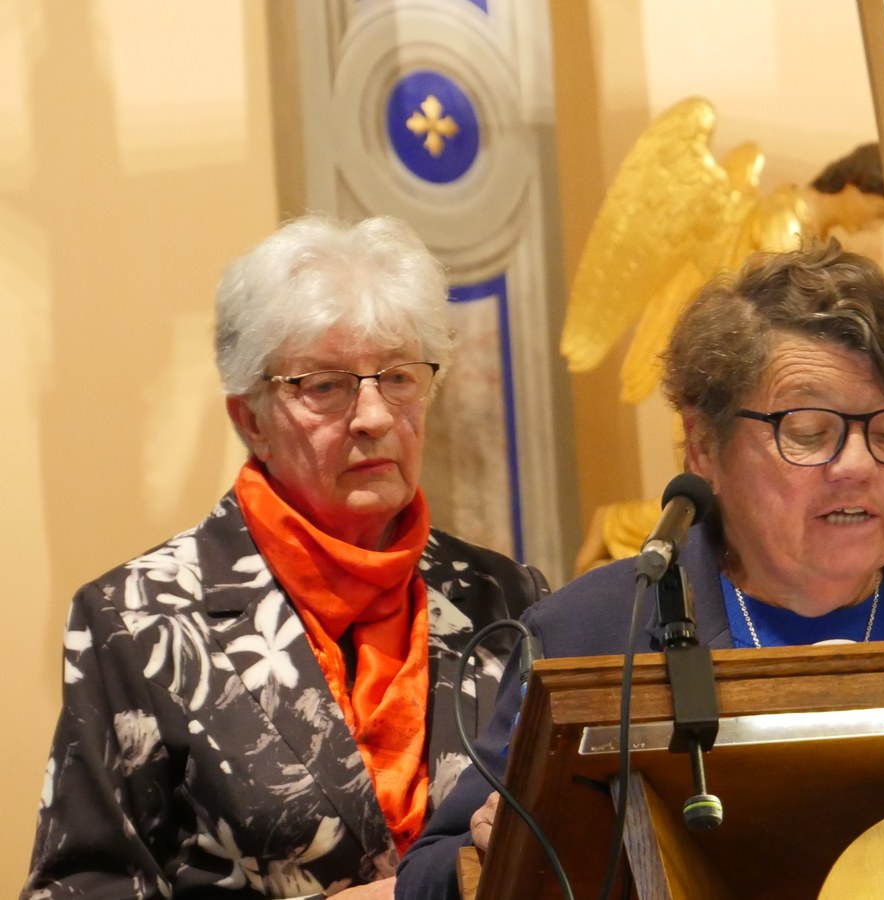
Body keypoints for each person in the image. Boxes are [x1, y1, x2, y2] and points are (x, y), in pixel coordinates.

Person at [393, 242, 884, 898]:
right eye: (809, 432)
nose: (859, 466)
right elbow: (427, 874)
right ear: (703, 446)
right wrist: (496, 848)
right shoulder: (588, 635)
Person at [23, 216, 547, 899]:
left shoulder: (508, 597)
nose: (374, 416)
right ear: (251, 420)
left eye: (397, 377)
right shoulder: (136, 620)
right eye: (325, 386)